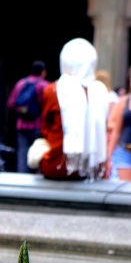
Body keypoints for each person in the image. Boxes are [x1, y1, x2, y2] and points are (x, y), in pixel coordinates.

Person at [39, 38, 108, 181]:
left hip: (57, 164)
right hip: (92, 168)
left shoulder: (54, 90)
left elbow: (45, 129)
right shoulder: (100, 92)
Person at [7, 60, 49, 173]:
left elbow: (11, 103)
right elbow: (48, 107)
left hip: (22, 125)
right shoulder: (45, 86)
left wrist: (24, 111)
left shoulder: (20, 84)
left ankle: (22, 176)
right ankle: (39, 175)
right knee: (40, 152)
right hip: (39, 126)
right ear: (43, 72)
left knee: (23, 153)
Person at [106, 89, 131, 181]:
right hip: (124, 151)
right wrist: (109, 157)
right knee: (124, 189)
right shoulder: (124, 101)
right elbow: (116, 131)